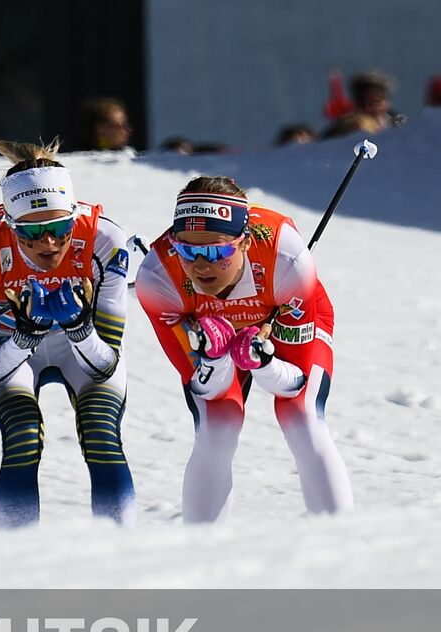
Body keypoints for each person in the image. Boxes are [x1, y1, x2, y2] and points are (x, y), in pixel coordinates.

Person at [134, 177, 353, 522]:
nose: (201, 265)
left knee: (301, 415)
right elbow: (205, 386)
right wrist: (213, 357)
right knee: (218, 425)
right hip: (211, 330)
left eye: (217, 251)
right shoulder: (158, 277)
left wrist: (263, 362)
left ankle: (341, 539)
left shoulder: (288, 261)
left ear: (246, 243)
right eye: (187, 250)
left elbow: (293, 381)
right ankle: (205, 550)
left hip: (281, 313)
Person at [0, 140, 135, 529]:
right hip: (11, 352)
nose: (48, 243)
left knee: (101, 433)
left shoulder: (106, 241)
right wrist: (24, 337)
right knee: (21, 435)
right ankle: (20, 563)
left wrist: (80, 329)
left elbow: (106, 365)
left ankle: (121, 555)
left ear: (74, 216)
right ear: (9, 224)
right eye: (31, 233)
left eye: (58, 228)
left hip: (82, 352)